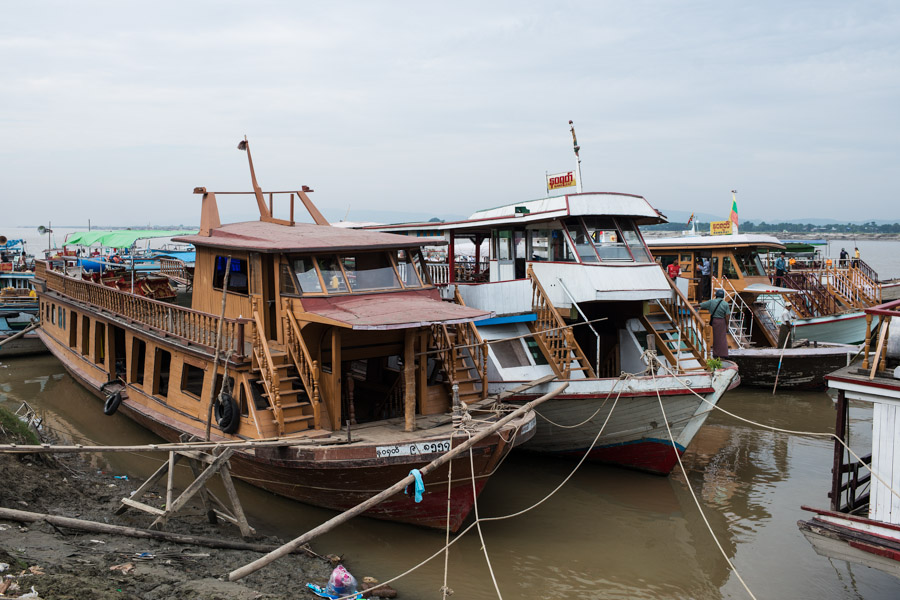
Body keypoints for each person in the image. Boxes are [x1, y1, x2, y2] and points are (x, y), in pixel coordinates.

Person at [700, 289, 730, 358]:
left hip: (715, 321)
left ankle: (716, 353)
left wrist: (691, 305)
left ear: (716, 295)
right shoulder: (725, 304)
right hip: (722, 321)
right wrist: (727, 325)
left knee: (716, 338)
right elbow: (727, 315)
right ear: (723, 296)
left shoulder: (711, 302)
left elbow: (701, 305)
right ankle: (723, 354)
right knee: (722, 338)